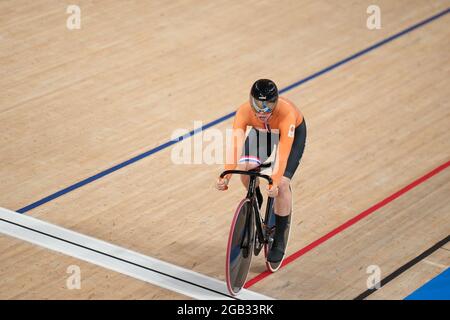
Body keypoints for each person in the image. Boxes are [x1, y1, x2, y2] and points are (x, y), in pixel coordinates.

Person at [216, 79, 307, 263]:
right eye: (258, 104)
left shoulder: (286, 113)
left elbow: (283, 153)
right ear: (251, 101)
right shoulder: (243, 112)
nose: (263, 110)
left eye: (268, 105)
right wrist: (227, 174)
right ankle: (255, 196)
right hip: (263, 133)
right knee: (246, 167)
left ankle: (279, 238)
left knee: (281, 184)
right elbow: (235, 144)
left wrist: (274, 179)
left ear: (276, 102)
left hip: (291, 133)